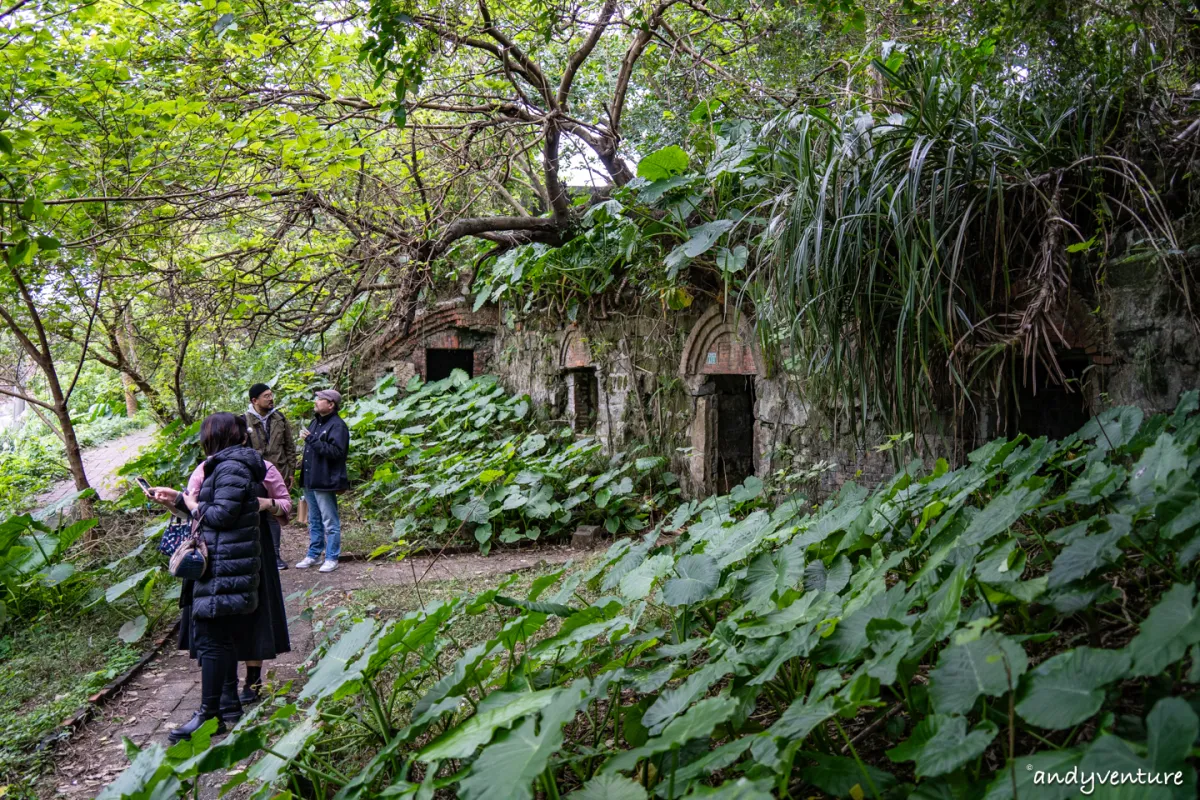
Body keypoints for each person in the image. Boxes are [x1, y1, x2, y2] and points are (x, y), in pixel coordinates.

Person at [149, 413, 264, 742]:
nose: (202, 439)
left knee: (213, 641)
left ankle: (208, 714)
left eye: (205, 434)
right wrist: (179, 501)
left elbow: (221, 515)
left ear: (216, 436)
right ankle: (228, 707)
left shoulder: (231, 467)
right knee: (221, 639)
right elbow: (214, 512)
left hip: (226, 566)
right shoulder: (229, 464)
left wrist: (190, 502)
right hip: (227, 563)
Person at [179, 415, 291, 715]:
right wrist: (176, 502)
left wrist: (266, 504)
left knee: (254, 618)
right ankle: (226, 693)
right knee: (222, 624)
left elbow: (285, 503)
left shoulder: (258, 468)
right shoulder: (205, 469)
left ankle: (250, 681)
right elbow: (197, 507)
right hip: (217, 551)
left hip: (252, 547)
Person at [295, 388, 349, 573]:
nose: (316, 402)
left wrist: (311, 440)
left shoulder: (338, 426)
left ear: (331, 404)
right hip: (310, 479)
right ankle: (314, 554)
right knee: (313, 520)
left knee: (330, 521)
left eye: (320, 399)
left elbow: (337, 453)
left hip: (325, 480)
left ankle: (332, 557)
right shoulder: (314, 422)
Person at [244, 383, 297, 570]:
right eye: (266, 396)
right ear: (254, 400)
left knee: (275, 513)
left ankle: (275, 555)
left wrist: (291, 471)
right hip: (255, 475)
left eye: (271, 395)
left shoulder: (279, 418)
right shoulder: (243, 421)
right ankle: (257, 554)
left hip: (278, 472)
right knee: (256, 513)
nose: (271, 398)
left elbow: (289, 446)